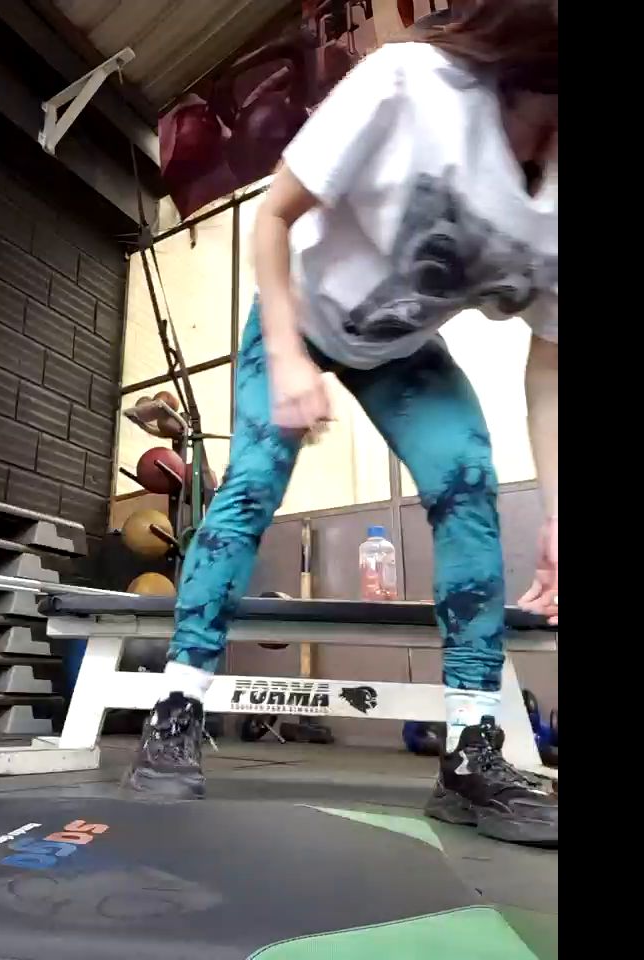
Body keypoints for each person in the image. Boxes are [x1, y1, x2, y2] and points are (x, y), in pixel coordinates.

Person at [128, 0, 558, 846]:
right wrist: (289, 358)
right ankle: (175, 714)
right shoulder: (410, 85)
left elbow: (548, 370)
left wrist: (555, 514)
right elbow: (274, 217)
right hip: (299, 311)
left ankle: (471, 753)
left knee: (468, 478)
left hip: (400, 348)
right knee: (253, 482)